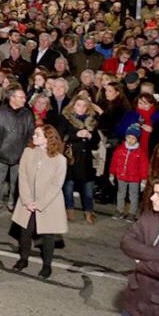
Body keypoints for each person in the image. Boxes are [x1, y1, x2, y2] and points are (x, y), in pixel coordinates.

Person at [119, 174, 159, 316]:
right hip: (134, 306)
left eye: (158, 194)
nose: (152, 198)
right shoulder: (149, 217)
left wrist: (141, 264)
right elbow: (127, 242)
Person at [10, 124, 68, 279]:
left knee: (48, 236)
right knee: (25, 232)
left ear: (47, 139)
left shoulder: (60, 160)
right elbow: (22, 176)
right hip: (27, 200)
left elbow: (57, 185)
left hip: (49, 203)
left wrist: (40, 203)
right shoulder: (28, 152)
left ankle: (47, 266)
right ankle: (23, 260)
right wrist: (27, 200)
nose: (33, 136)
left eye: (37, 135)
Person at [0, 86, 35, 214]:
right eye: (21, 97)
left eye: (24, 97)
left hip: (20, 153)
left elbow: (31, 133)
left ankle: (13, 203)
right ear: (12, 98)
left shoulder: (27, 114)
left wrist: (27, 148)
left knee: (17, 182)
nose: (24, 99)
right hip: (1, 152)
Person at [59, 94, 101, 223]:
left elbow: (96, 141)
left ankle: (89, 211)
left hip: (86, 159)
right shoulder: (65, 118)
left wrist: (90, 136)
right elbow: (61, 135)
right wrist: (76, 134)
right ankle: (69, 210)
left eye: (84, 105)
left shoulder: (92, 120)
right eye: (78, 105)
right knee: (68, 186)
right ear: (73, 106)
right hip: (71, 156)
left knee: (88, 187)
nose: (81, 108)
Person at [111, 124, 150, 221]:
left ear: (137, 139)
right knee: (121, 193)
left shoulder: (141, 152)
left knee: (133, 195)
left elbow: (144, 167)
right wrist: (112, 174)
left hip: (134, 178)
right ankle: (119, 210)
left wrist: (144, 180)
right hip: (121, 176)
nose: (130, 140)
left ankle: (132, 213)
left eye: (133, 138)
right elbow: (114, 162)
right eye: (129, 137)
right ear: (125, 137)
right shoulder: (120, 150)